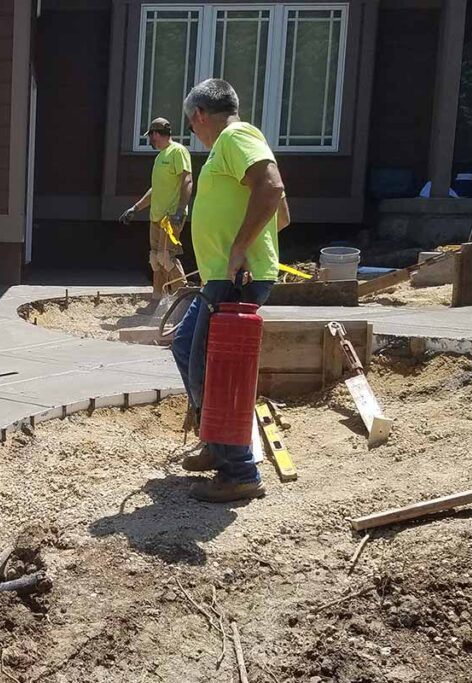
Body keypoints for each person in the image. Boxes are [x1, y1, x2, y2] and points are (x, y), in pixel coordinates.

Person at [170, 79, 290, 503]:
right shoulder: (238, 146)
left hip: (234, 277)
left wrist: (240, 248)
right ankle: (216, 442)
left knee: (218, 368)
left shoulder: (237, 136)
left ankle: (239, 470)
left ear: (200, 115)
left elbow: (272, 189)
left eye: (191, 125)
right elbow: (283, 213)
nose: (194, 134)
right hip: (222, 276)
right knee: (186, 347)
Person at [119, 117, 193, 294]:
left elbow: (187, 180)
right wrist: (135, 208)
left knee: (166, 257)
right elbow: (156, 190)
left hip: (170, 217)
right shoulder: (160, 157)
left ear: (156, 134)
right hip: (156, 218)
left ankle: (184, 299)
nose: (150, 140)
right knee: (156, 259)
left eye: (151, 136)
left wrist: (180, 211)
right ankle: (157, 299)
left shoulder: (178, 151)